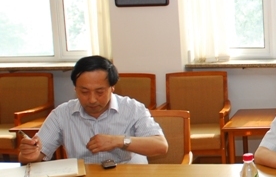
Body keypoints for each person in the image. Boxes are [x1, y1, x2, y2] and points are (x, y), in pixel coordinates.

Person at [18, 56, 168, 165]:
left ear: (112, 88)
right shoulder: (62, 114)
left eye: (99, 92)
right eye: (84, 92)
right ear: (75, 89)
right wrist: (28, 154)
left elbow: (160, 145)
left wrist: (118, 141)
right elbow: (35, 155)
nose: (92, 99)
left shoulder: (132, 108)